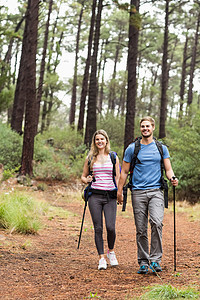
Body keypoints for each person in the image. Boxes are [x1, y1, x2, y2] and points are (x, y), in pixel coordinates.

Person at [117, 116, 178, 274]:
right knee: (141, 228)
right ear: (140, 129)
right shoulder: (132, 148)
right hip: (137, 192)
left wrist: (172, 178)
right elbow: (124, 172)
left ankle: (156, 260)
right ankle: (143, 261)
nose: (145, 129)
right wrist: (119, 191)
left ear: (153, 128)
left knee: (157, 223)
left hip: (156, 191)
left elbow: (168, 169)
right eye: (143, 126)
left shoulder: (161, 148)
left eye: (148, 126)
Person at [81, 129, 120, 270]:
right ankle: (101, 258)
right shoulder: (90, 158)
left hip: (110, 196)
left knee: (111, 227)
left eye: (102, 139)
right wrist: (87, 180)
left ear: (106, 141)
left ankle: (111, 251)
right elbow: (83, 176)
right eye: (97, 139)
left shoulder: (113, 157)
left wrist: (119, 193)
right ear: (94, 142)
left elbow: (118, 177)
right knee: (98, 228)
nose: (100, 142)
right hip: (95, 196)